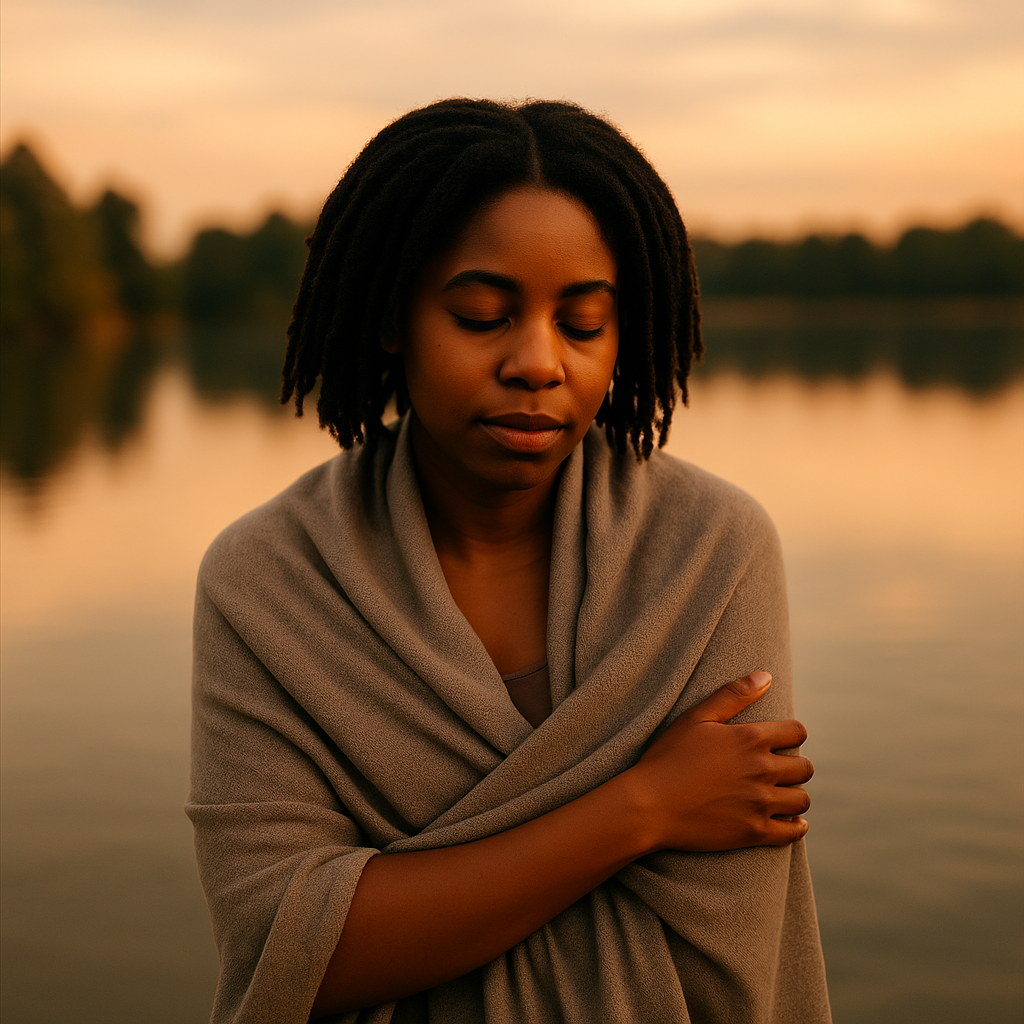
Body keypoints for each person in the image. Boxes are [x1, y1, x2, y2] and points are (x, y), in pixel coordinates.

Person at [187, 98, 831, 1024]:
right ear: (390, 319)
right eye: (482, 314)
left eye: (582, 325)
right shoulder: (267, 581)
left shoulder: (711, 553)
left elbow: (724, 957)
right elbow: (289, 958)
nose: (537, 362)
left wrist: (403, 900)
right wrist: (641, 808)